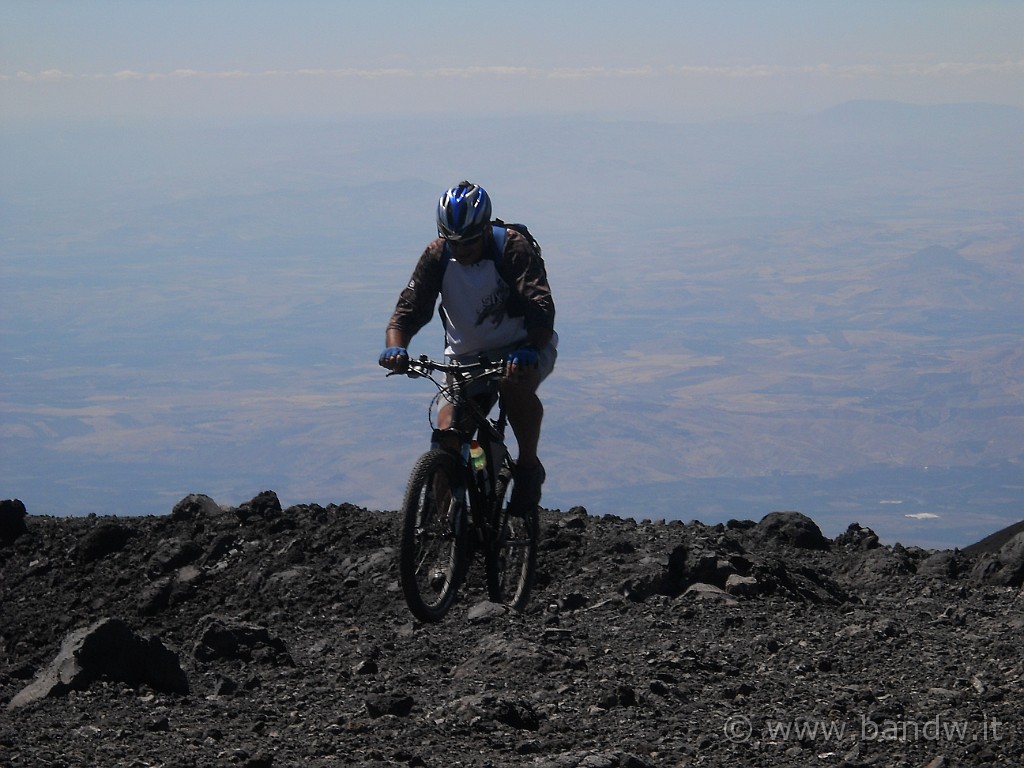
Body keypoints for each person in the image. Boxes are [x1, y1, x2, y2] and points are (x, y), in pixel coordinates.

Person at [379, 180, 557, 513]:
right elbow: (407, 312)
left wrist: (530, 347)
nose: (461, 250)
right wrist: (396, 348)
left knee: (514, 385)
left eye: (470, 242)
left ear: (485, 230)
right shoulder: (437, 255)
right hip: (465, 360)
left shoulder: (512, 248)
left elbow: (541, 308)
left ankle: (529, 468)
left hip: (524, 348)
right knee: (449, 432)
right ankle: (440, 529)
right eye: (454, 242)